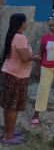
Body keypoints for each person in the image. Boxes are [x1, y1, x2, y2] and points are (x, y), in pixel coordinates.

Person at [0, 13, 41, 145]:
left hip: (10, 73)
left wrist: (31, 56)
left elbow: (21, 55)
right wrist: (35, 58)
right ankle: (9, 137)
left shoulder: (12, 35)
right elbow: (24, 58)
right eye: (25, 21)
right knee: (13, 107)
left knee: (8, 105)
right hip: (16, 76)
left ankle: (8, 131)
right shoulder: (20, 37)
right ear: (21, 23)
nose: (26, 23)